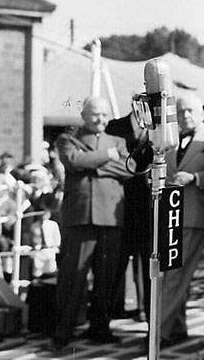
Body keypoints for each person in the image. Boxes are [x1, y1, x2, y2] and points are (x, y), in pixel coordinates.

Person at [49, 96, 134, 351]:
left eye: (105, 115)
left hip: (110, 216)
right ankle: (63, 331)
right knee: (72, 277)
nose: (101, 119)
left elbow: (129, 169)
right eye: (96, 114)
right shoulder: (68, 140)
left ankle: (101, 327)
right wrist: (107, 157)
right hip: (81, 217)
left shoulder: (119, 141)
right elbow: (73, 161)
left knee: (106, 278)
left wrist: (95, 165)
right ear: (84, 115)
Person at [158, 93, 204, 347]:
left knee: (175, 274)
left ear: (201, 113)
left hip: (196, 213)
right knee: (171, 273)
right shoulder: (170, 139)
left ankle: (159, 331)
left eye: (190, 111)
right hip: (170, 213)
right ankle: (176, 327)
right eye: (180, 112)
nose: (185, 116)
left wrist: (197, 178)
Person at [105, 105, 152, 322]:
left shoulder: (160, 130)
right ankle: (106, 318)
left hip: (148, 210)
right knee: (114, 264)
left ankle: (148, 316)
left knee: (148, 267)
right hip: (118, 207)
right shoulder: (114, 127)